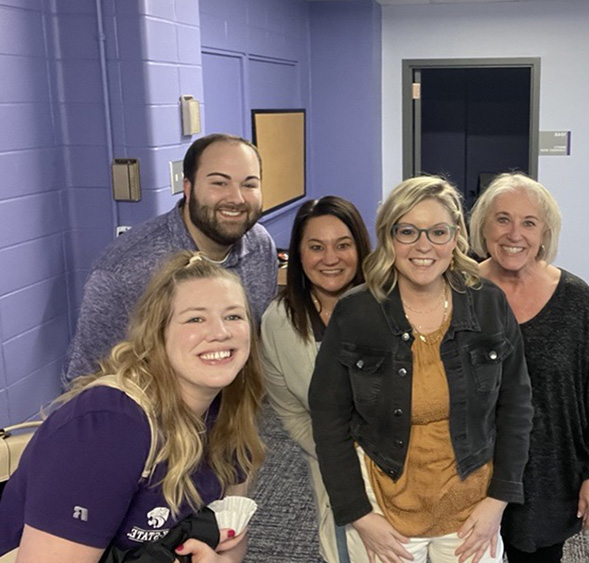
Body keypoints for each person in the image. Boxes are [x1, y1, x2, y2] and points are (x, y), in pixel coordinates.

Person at [309, 176, 533, 563]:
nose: (424, 246)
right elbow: (328, 418)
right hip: (384, 502)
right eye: (408, 231)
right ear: (389, 236)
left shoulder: (488, 305)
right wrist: (359, 515)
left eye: (438, 231)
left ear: (456, 236)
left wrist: (497, 502)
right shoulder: (356, 313)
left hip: (470, 503)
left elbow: (516, 407)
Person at [0, 251, 266, 562]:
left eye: (234, 316)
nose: (220, 332)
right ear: (158, 334)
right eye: (195, 318)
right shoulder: (107, 427)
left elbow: (231, 542)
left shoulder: (227, 411)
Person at [468, 173, 589, 562]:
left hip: (548, 480)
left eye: (529, 223)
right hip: (469, 478)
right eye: (502, 219)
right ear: (483, 226)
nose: (514, 233)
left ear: (544, 234)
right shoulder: (459, 291)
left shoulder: (574, 298)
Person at [65, 133, 278, 382]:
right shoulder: (124, 271)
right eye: (219, 183)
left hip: (235, 412)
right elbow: (85, 380)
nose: (236, 198)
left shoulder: (260, 246)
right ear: (188, 188)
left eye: (249, 184)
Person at [260, 196, 372, 563]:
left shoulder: (392, 307)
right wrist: (338, 455)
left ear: (360, 247)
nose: (330, 258)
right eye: (316, 247)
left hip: (410, 476)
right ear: (299, 253)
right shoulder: (279, 323)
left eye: (343, 245)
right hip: (336, 480)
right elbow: (291, 413)